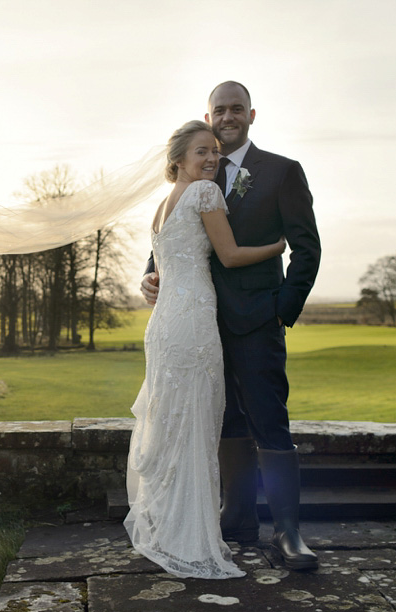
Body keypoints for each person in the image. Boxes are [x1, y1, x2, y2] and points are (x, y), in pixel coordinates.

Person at [140, 81, 321, 571]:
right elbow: (169, 242)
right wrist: (149, 278)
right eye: (219, 109)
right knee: (222, 421)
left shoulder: (282, 172)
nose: (227, 116)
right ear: (209, 114)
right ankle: (236, 516)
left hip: (258, 320)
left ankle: (288, 531)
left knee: (268, 419)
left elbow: (307, 247)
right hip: (199, 323)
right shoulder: (199, 170)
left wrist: (283, 308)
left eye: (236, 108)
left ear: (252, 114)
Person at [124, 119, 286, 579]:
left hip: (163, 326)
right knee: (195, 425)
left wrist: (147, 279)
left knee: (174, 422)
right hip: (193, 322)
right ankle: (190, 536)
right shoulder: (204, 194)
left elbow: (162, 264)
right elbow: (231, 254)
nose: (212, 159)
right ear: (178, 159)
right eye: (202, 152)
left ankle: (170, 526)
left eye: (215, 151)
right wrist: (277, 245)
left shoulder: (161, 207)